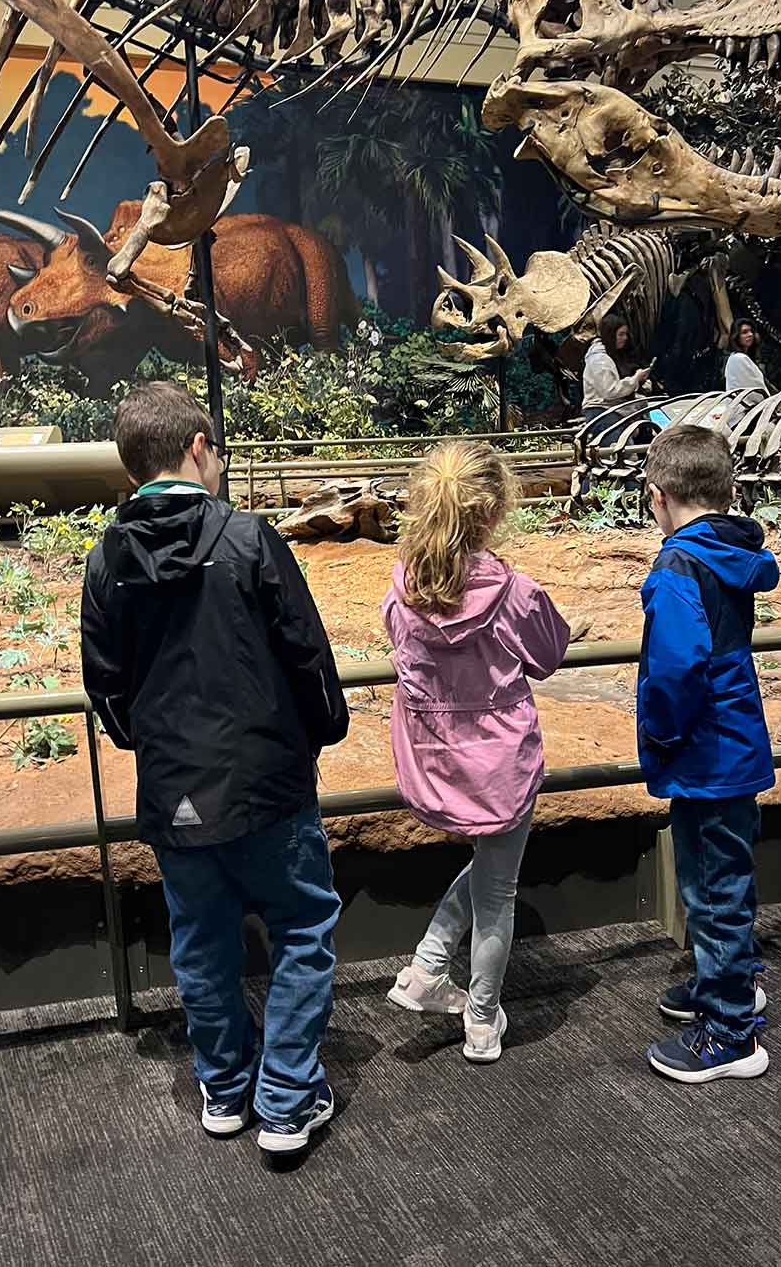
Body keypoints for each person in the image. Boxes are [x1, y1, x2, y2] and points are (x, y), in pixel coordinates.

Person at [80, 381, 349, 1154]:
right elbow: (308, 655)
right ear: (198, 447)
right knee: (302, 927)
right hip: (269, 787)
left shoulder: (106, 559)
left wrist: (159, 750)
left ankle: (225, 1091)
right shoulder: (248, 538)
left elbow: (108, 688)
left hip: (175, 794)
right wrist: (320, 731)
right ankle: (291, 1100)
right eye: (218, 452)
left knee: (201, 943)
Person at [382, 440, 571, 1063]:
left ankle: (426, 969)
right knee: (499, 891)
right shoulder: (512, 592)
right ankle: (482, 1019)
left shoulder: (402, 589)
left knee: (490, 867)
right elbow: (548, 654)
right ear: (492, 514)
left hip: (435, 759)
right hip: (500, 766)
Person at [637, 424, 778, 1083]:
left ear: (658, 496)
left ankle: (730, 1033)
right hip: (735, 741)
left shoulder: (676, 567)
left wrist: (660, 735)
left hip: (702, 754)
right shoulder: (732, 552)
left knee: (714, 888)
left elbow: (674, 668)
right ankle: (730, 983)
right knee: (723, 877)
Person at [581, 314, 654, 424]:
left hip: (615, 410)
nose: (625, 338)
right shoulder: (599, 359)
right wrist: (635, 379)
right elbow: (610, 391)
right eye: (621, 334)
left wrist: (640, 380)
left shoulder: (613, 355)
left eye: (625, 334)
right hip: (602, 413)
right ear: (610, 335)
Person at [724, 319, 768, 392]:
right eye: (744, 332)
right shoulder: (738, 358)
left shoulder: (744, 357)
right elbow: (755, 389)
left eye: (751, 331)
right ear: (736, 336)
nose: (750, 334)